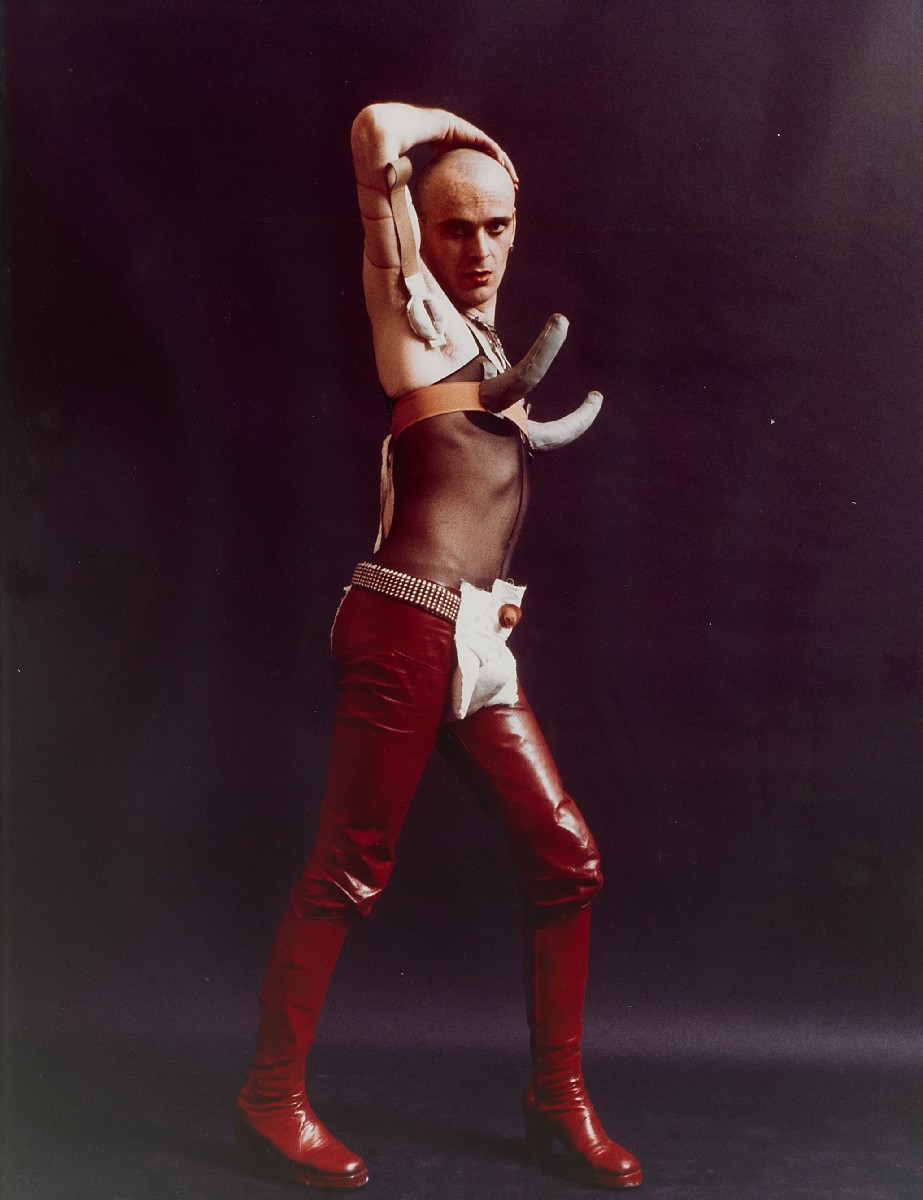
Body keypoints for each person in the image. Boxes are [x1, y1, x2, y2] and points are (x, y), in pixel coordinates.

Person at [233, 102, 642, 1191]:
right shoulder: (411, 312)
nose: (479, 249)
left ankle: (554, 1100)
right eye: (454, 227)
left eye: (497, 225)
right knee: (348, 868)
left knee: (565, 859)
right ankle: (267, 1100)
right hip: (403, 626)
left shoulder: (486, 345)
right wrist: (469, 135)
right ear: (421, 230)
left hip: (472, 640)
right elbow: (373, 131)